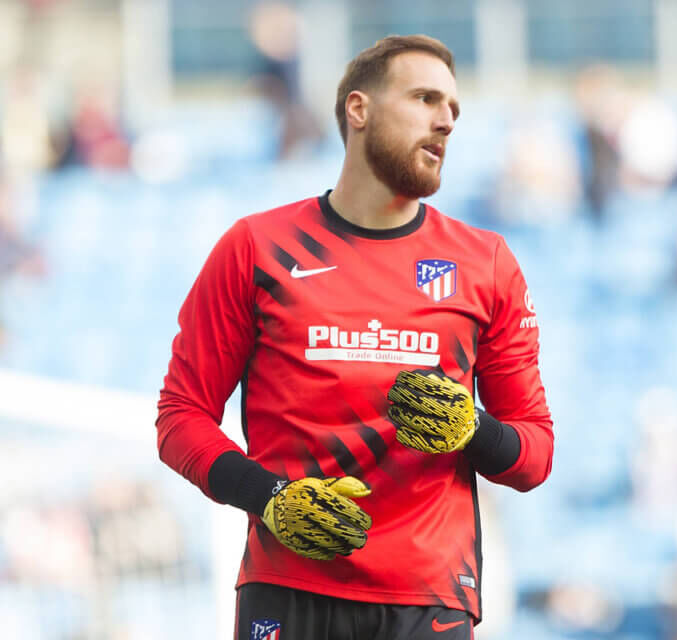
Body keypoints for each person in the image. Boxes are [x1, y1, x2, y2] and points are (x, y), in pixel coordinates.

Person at [155, 35, 554, 640]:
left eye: (453, 108)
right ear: (359, 109)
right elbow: (180, 417)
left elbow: (535, 454)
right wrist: (268, 497)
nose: (446, 120)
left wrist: (473, 429)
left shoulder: (485, 263)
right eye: (424, 98)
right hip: (288, 588)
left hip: (427, 599)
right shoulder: (256, 248)